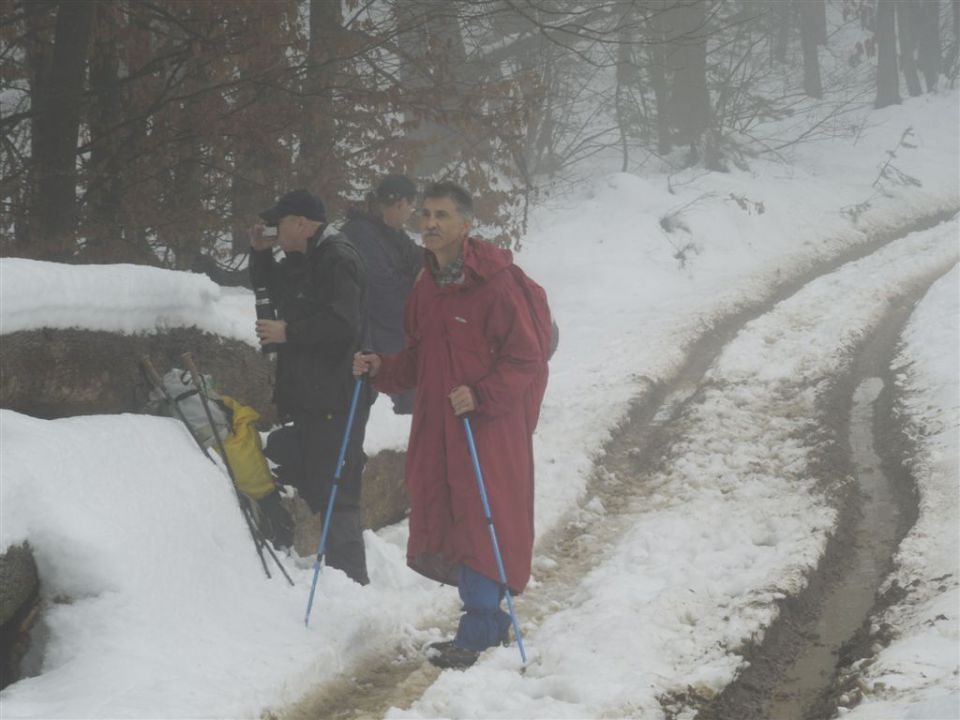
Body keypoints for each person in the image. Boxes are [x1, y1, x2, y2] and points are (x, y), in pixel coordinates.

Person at [353, 182, 548, 667]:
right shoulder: (427, 286)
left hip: (487, 424)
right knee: (455, 516)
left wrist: (482, 394)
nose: (431, 223)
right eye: (426, 214)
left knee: (483, 516)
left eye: (443, 215)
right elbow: (422, 359)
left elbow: (527, 358)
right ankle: (483, 623)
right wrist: (382, 368)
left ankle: (481, 630)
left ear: (465, 224)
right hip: (441, 423)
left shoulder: (497, 284)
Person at [250, 189, 371, 586]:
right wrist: (262, 252)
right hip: (310, 394)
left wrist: (289, 332)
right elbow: (275, 289)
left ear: (302, 223)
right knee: (313, 474)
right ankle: (334, 572)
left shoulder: (337, 259)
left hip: (337, 393)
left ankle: (350, 580)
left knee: (338, 483)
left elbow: (344, 324)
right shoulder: (305, 258)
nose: (276, 230)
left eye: (280, 223)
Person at [341, 174, 422, 415]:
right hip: (362, 338)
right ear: (400, 203)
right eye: (411, 206)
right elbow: (384, 292)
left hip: (383, 337)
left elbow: (418, 258)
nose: (411, 213)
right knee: (353, 411)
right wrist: (418, 287)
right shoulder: (362, 233)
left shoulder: (388, 232)